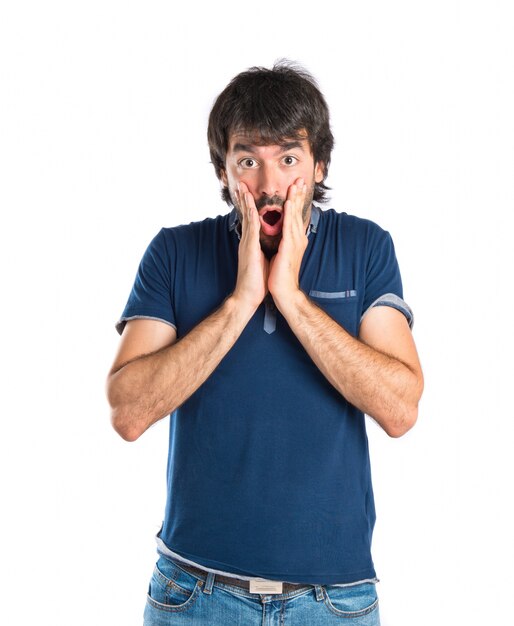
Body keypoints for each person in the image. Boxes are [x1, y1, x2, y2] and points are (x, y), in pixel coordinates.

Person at [107, 60, 424, 625]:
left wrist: (293, 299)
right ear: (225, 172)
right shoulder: (174, 253)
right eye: (248, 160)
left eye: (289, 158)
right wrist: (241, 301)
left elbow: (401, 409)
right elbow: (128, 413)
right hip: (195, 594)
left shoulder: (366, 247)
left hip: (334, 601)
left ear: (319, 163)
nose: (269, 183)